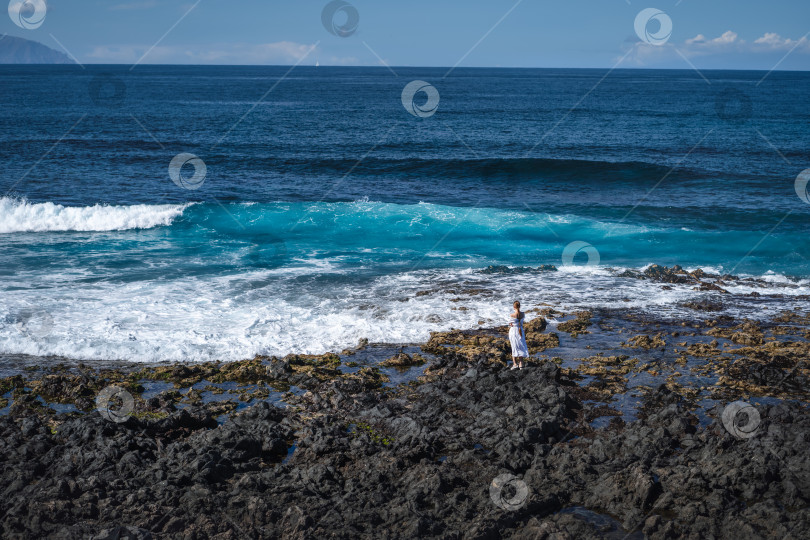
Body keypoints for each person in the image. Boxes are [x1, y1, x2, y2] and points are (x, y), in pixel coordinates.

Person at [509, 301, 529, 370]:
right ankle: (521, 363)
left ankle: (515, 364)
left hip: (513, 331)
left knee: (514, 346)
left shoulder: (512, 315)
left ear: (514, 307)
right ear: (519, 306)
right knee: (520, 346)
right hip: (520, 331)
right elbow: (520, 321)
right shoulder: (523, 314)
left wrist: (511, 324)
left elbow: (511, 323)